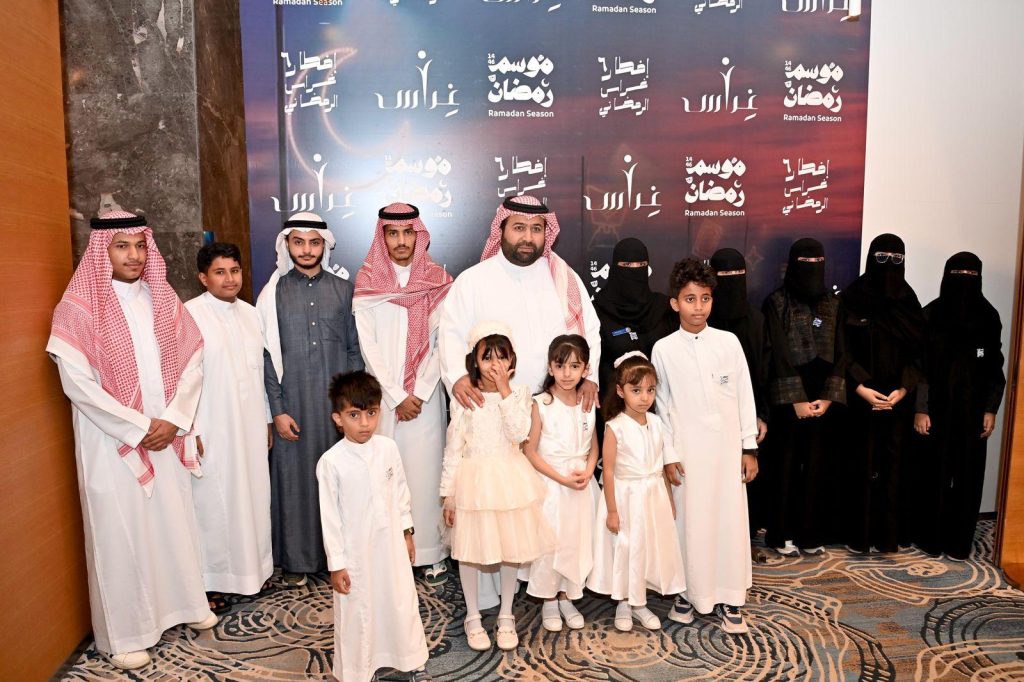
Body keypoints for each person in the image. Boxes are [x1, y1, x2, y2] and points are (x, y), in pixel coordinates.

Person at [46, 211, 215, 669]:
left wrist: (174, 419)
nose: (134, 255)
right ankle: (124, 635)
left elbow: (193, 361)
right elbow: (77, 384)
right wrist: (138, 427)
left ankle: (184, 605)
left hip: (166, 434)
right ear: (102, 251)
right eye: (122, 246)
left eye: (140, 246)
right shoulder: (77, 309)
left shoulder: (163, 299)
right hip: (112, 441)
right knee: (120, 533)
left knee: (172, 523)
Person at [256, 212, 363, 585]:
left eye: (314, 242)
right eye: (298, 242)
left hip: (335, 408)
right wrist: (277, 410)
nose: (306, 249)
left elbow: (354, 350)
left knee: (340, 480)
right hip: (294, 406)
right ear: (287, 244)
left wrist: (352, 407)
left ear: (325, 245)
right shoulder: (273, 294)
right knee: (295, 482)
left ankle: (341, 558)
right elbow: (266, 357)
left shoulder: (344, 290)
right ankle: (298, 562)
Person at [653, 259, 759, 634]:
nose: (698, 307)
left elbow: (744, 396)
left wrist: (749, 448)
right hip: (687, 456)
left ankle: (730, 597)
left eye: (705, 298)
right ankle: (687, 593)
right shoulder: (663, 350)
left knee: (729, 522)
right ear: (674, 303)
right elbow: (662, 407)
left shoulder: (728, 343)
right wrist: (669, 456)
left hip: (727, 454)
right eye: (690, 299)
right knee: (689, 524)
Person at [439, 321, 556, 651]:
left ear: (512, 361)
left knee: (510, 548)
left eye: (502, 357)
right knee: (469, 551)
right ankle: (473, 615)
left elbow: (520, 433)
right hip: (472, 481)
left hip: (508, 480)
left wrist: (505, 391)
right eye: (487, 357)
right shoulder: (465, 398)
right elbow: (453, 447)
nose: (495, 365)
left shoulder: (520, 395)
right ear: (475, 362)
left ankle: (506, 614)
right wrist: (448, 495)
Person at [354, 203, 453, 587]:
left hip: (425, 401)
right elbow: (368, 347)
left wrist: (421, 391)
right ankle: (388, 554)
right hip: (382, 399)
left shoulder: (438, 281)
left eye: (407, 233)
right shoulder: (367, 282)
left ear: (418, 235)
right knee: (384, 476)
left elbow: (444, 343)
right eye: (393, 233)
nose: (401, 241)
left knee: (425, 477)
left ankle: (429, 553)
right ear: (382, 237)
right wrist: (395, 394)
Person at [317, 371, 431, 681]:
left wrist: (407, 532)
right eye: (354, 415)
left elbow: (401, 493)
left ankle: (410, 660)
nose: (365, 423)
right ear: (338, 418)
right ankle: (358, 670)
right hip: (355, 554)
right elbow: (330, 519)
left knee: (399, 600)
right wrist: (336, 564)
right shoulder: (331, 462)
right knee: (359, 609)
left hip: (391, 545)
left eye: (371, 413)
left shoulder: (388, 448)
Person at [439, 195, 601, 409]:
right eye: (519, 228)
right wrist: (458, 376)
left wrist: (590, 377)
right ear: (501, 230)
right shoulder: (473, 280)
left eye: (536, 229)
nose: (528, 237)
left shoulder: (563, 277)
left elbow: (589, 330)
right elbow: (451, 335)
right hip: (494, 405)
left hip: (556, 405)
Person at [186, 242, 273, 608]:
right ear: (203, 278)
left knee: (253, 497)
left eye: (234, 271)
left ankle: (254, 573)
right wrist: (190, 428)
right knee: (215, 503)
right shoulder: (189, 315)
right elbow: (182, 379)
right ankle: (214, 581)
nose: (229, 279)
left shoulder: (252, 314)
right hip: (211, 427)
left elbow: (260, 372)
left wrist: (267, 419)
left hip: (250, 425)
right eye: (220, 272)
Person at [913, 252, 1005, 559]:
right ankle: (930, 538)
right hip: (936, 410)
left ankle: (959, 542)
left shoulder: (989, 317)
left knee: (968, 477)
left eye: (971, 274)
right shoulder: (930, 315)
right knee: (932, 475)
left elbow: (995, 367)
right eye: (958, 274)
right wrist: (921, 408)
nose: (964, 280)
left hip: (973, 412)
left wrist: (991, 408)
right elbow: (919, 367)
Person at [588, 352, 686, 633]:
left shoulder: (656, 423)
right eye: (636, 390)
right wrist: (612, 510)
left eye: (650, 390)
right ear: (620, 391)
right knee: (626, 547)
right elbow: (608, 471)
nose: (644, 397)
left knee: (647, 547)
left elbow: (661, 465)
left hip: (652, 495)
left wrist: (668, 499)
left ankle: (640, 603)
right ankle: (623, 602)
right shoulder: (615, 427)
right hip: (625, 496)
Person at [762, 238, 847, 555]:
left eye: (817, 263)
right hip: (789, 401)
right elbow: (776, 353)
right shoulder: (776, 302)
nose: (812, 270)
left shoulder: (834, 303)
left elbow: (842, 351)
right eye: (805, 263)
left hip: (822, 398)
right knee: (784, 467)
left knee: (816, 467)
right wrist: (795, 399)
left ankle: (810, 534)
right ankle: (780, 533)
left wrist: (828, 397)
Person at [841, 234, 926, 553]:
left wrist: (903, 389)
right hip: (859, 400)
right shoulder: (852, 297)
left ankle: (888, 536)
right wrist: (861, 387)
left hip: (897, 403)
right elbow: (841, 349)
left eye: (896, 259)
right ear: (869, 258)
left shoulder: (908, 301)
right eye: (881, 258)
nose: (888, 266)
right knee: (860, 466)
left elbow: (920, 353)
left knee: (893, 469)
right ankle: (858, 536)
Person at [521, 334, 600, 632]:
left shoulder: (587, 402)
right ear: (550, 367)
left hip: (581, 484)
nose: (567, 373)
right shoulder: (540, 403)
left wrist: (589, 470)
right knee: (552, 542)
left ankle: (568, 596)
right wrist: (561, 479)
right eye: (560, 365)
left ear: (585, 369)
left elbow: (594, 444)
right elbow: (530, 451)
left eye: (575, 366)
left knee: (575, 540)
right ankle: (549, 600)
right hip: (552, 484)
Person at [707, 248, 769, 535]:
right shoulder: (702, 321)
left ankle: (745, 539)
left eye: (737, 274)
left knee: (745, 477)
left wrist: (761, 415)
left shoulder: (757, 321)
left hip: (746, 416)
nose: (731, 280)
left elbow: (764, 372)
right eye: (724, 275)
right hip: (707, 419)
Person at [593, 238, 677, 392]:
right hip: (615, 400)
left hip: (661, 399)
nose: (635, 270)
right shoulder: (598, 311)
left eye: (641, 265)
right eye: (627, 265)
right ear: (615, 268)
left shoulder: (663, 307)